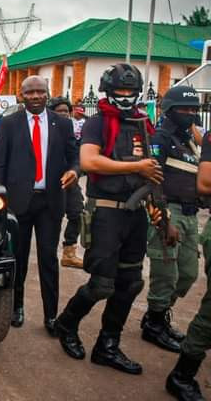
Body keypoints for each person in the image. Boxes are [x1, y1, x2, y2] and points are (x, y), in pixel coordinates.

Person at [55, 63, 166, 375]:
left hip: (137, 213)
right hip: (105, 212)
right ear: (107, 91)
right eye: (120, 91)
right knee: (102, 284)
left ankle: (108, 346)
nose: (125, 96)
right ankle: (66, 324)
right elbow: (90, 161)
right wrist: (136, 168)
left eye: (131, 92)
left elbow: (154, 166)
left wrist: (159, 206)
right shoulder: (97, 122)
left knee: (130, 283)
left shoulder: (145, 123)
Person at [0, 76, 79, 334]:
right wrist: (0, 200)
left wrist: (75, 170)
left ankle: (51, 315)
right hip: (18, 202)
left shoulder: (62, 123)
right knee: (17, 258)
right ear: (21, 95)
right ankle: (16, 307)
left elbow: (74, 155)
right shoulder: (9, 124)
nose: (36, 96)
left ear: (48, 94)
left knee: (48, 259)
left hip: (50, 201)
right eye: (30, 92)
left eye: (41, 91)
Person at [141, 84, 202, 354]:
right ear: (170, 110)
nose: (190, 113)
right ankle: (154, 323)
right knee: (166, 273)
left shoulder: (188, 140)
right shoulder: (160, 138)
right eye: (184, 109)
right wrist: (163, 218)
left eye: (194, 109)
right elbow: (152, 179)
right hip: (169, 212)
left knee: (187, 275)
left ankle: (160, 312)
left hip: (190, 214)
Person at [165, 130, 211, 399]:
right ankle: (183, 374)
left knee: (187, 275)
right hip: (176, 211)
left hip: (192, 214)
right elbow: (204, 183)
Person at [48, 96, 85, 269]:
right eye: (59, 111)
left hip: (69, 180)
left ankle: (69, 253)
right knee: (50, 218)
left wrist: (75, 171)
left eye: (66, 111)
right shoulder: (44, 128)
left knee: (77, 213)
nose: (63, 114)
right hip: (48, 182)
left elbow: (76, 155)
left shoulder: (72, 129)